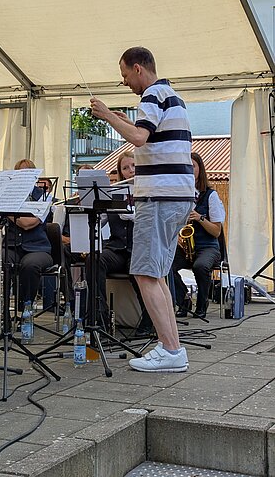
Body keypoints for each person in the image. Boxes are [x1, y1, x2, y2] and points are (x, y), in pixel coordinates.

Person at [91, 46, 194, 373]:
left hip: (159, 196)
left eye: (124, 74)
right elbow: (149, 137)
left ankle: (171, 349)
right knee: (156, 273)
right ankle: (172, 347)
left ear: (138, 68)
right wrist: (124, 120)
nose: (124, 82)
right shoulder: (171, 96)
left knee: (145, 273)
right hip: (177, 196)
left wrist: (108, 115)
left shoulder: (151, 95)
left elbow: (138, 137)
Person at [94, 152, 153, 335]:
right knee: (95, 259)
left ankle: (149, 319)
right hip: (117, 248)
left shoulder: (148, 191)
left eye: (134, 166)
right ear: (121, 172)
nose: (131, 171)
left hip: (139, 248)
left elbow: (153, 221)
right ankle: (100, 316)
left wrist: (133, 216)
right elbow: (101, 220)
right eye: (125, 168)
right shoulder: (114, 193)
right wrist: (95, 211)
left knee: (136, 268)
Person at [0, 159, 53, 308]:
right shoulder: (8, 197)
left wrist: (5, 208)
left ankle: (25, 307)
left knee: (30, 265)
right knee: (0, 259)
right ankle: (1, 304)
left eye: (27, 173)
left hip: (38, 248)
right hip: (11, 246)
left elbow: (28, 224)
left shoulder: (44, 196)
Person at [172, 152, 225, 318]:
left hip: (208, 247)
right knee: (165, 265)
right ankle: (183, 300)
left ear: (199, 169)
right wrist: (178, 236)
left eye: (192, 166)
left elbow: (216, 231)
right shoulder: (180, 196)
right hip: (186, 247)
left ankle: (202, 304)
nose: (189, 170)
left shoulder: (211, 195)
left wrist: (199, 218)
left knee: (200, 266)